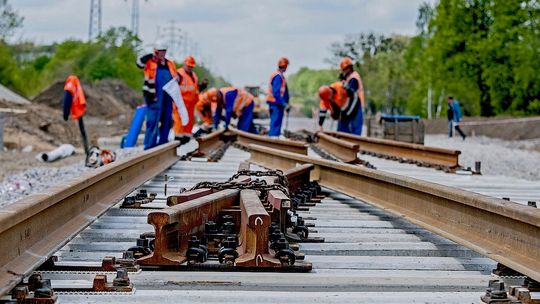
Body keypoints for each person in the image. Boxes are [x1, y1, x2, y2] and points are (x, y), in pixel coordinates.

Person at [136, 41, 178, 150]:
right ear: (155, 51)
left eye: (164, 51)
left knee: (167, 120)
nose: (162, 53)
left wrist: (178, 79)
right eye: (160, 51)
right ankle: (150, 146)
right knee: (152, 121)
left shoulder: (170, 63)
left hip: (168, 97)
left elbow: (176, 77)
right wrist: (150, 55)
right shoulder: (150, 62)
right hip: (154, 96)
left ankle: (163, 143)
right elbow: (139, 63)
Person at [172, 55, 208, 141]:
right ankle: (178, 138)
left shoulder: (194, 75)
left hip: (190, 104)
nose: (190, 68)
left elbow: (195, 88)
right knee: (179, 120)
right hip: (180, 103)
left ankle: (186, 137)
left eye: (191, 67)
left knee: (189, 121)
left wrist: (202, 86)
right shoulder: (179, 74)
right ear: (184, 64)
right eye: (188, 66)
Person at [337, 57, 365, 135]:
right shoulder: (348, 77)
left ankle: (352, 144)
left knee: (355, 131)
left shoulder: (354, 78)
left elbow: (351, 92)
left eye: (344, 70)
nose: (343, 71)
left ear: (349, 68)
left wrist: (345, 85)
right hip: (349, 106)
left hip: (357, 106)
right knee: (344, 128)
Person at [266, 57, 290, 137]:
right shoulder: (278, 76)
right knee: (275, 123)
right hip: (275, 103)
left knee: (276, 122)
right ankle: (273, 139)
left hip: (276, 103)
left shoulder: (279, 76)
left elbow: (284, 92)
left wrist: (286, 103)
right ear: (285, 66)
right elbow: (276, 93)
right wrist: (284, 104)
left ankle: (274, 137)